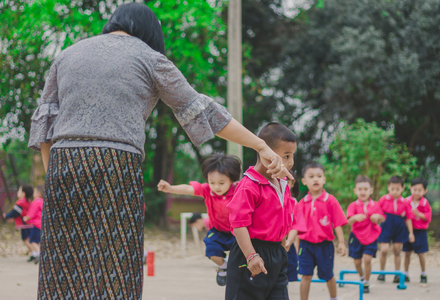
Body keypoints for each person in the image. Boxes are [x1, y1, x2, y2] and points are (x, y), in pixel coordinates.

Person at [27, 3, 292, 298]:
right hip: (116, 161)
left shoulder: (66, 55)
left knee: (63, 258)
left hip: (65, 160)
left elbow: (46, 122)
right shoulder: (149, 57)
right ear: (150, 32)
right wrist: (259, 144)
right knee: (116, 259)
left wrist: (54, 176)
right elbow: (200, 108)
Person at [225, 123, 306, 300]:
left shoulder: (283, 182)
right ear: (265, 153)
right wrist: (251, 255)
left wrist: (283, 244)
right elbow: (238, 225)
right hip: (252, 251)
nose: (290, 162)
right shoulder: (249, 185)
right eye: (286, 156)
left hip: (277, 254)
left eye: (292, 155)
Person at [158, 154, 241, 286]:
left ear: (231, 180)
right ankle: (224, 267)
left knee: (243, 255)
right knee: (212, 252)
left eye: (221, 183)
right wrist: (170, 188)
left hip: (237, 231)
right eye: (212, 182)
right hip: (217, 231)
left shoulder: (239, 190)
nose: (216, 187)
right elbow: (189, 189)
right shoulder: (207, 190)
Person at [297, 162, 348, 300]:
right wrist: (296, 248)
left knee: (328, 275)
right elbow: (297, 228)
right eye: (311, 176)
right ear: (304, 181)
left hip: (325, 246)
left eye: (319, 176)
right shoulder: (301, 203)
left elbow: (337, 223)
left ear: (324, 180)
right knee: (306, 275)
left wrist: (341, 243)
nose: (315, 179)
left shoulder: (330, 200)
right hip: (306, 246)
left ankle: (333, 297)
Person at [346, 176, 385, 293]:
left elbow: (382, 218)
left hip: (371, 236)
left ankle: (366, 282)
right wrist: (355, 218)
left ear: (371, 191)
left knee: (367, 259)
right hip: (356, 237)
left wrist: (377, 217)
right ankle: (362, 276)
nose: (363, 192)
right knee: (357, 261)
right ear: (355, 190)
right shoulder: (353, 206)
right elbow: (348, 221)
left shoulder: (375, 205)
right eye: (360, 189)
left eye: (365, 189)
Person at [377, 175, 415, 283]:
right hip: (386, 226)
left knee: (397, 251)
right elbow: (377, 213)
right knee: (384, 250)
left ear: (402, 189)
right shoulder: (383, 200)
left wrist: (411, 233)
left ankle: (397, 274)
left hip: (399, 228)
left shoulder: (405, 202)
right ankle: (382, 273)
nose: (395, 191)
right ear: (388, 187)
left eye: (397, 189)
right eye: (392, 189)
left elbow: (408, 218)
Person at [403, 178, 432, 283]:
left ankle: (423, 273)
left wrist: (419, 214)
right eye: (414, 189)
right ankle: (405, 273)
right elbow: (405, 216)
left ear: (424, 191)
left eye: (419, 190)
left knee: (421, 253)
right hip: (408, 230)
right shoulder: (406, 201)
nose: (416, 192)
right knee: (407, 252)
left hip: (420, 231)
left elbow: (428, 217)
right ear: (411, 189)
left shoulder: (425, 203)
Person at [3, 185, 34, 259]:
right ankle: (33, 253)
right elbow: (21, 213)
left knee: (26, 240)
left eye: (19, 191)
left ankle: (35, 253)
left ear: (23, 194)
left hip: (24, 224)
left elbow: (15, 212)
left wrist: (7, 216)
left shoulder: (20, 203)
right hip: (29, 223)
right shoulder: (28, 202)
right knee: (29, 239)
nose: (18, 192)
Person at [285, 170, 300, 282]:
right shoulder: (268, 199)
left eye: (286, 181)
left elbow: (296, 225)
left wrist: (288, 242)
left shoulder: (294, 203)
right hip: (270, 245)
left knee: (285, 280)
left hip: (287, 246)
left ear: (292, 183)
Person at [23, 185, 44, 264]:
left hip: (36, 224)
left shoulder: (36, 201)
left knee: (33, 241)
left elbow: (32, 212)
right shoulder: (43, 201)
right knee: (38, 241)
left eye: (35, 192)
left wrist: (27, 217)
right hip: (41, 224)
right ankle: (35, 254)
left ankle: (39, 254)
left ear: (38, 193)